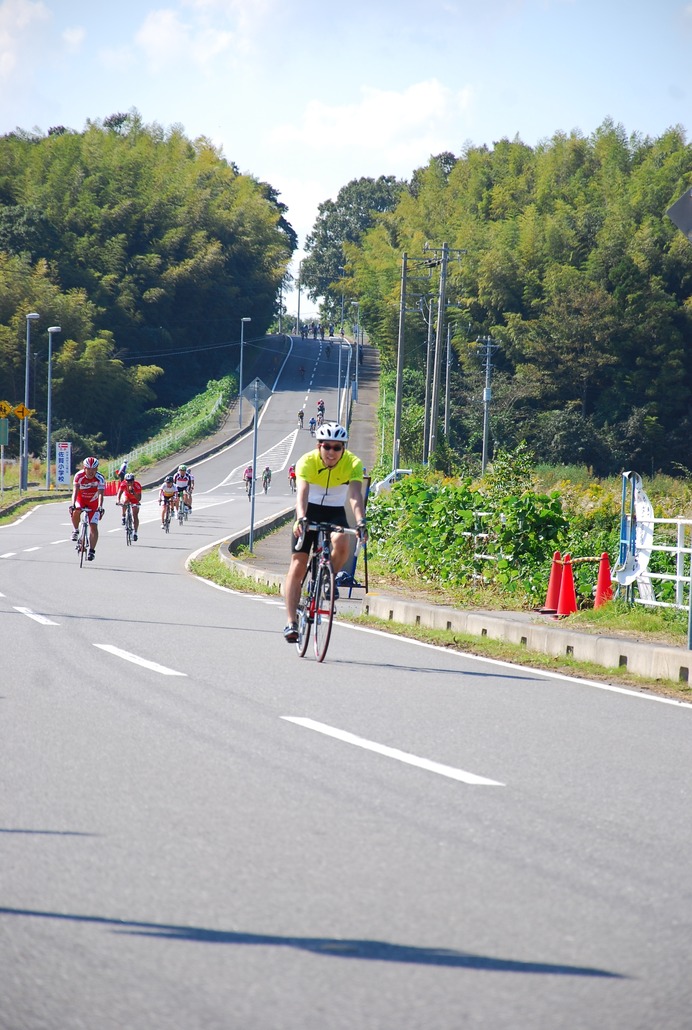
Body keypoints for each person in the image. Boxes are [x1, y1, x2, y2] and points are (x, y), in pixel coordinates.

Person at [283, 422, 367, 642]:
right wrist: (301, 517)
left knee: (341, 543)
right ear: (319, 446)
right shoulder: (307, 461)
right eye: (327, 446)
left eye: (337, 447)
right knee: (298, 564)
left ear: (343, 449)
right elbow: (302, 492)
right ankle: (291, 622)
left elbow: (355, 495)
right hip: (308, 511)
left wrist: (360, 522)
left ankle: (328, 579)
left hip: (334, 512)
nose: (331, 452)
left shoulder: (353, 463)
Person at [69, 456, 106, 561]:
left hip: (93, 502)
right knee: (76, 509)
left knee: (93, 526)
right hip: (81, 499)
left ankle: (92, 551)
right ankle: (76, 530)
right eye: (88, 469)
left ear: (97, 469)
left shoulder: (100, 478)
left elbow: (100, 495)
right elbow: (75, 492)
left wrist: (100, 507)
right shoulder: (78, 476)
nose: (91, 471)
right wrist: (72, 504)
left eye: (93, 469)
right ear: (84, 468)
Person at [116, 471, 142, 540]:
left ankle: (135, 532)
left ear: (134, 480)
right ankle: (123, 516)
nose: (129, 482)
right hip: (127, 496)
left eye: (131, 481)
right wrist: (118, 501)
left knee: (135, 515)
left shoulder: (137, 485)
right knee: (124, 502)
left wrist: (134, 493)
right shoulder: (123, 484)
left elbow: (139, 498)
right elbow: (119, 493)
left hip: (135, 499)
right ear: (125, 480)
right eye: (128, 481)